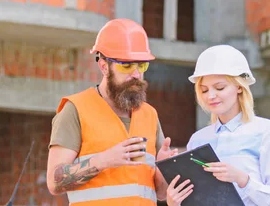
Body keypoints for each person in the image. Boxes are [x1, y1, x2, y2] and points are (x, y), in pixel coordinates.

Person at [47, 18, 178, 205]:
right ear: (103, 66)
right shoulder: (76, 109)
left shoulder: (149, 115)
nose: (136, 74)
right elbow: (54, 181)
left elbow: (160, 193)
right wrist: (103, 161)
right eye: (127, 65)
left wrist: (165, 168)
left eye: (141, 65)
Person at [165, 45, 270, 206]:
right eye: (204, 90)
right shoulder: (198, 140)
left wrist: (242, 179)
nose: (210, 96)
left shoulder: (267, 131)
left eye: (219, 87)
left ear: (239, 86)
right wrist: (174, 203)